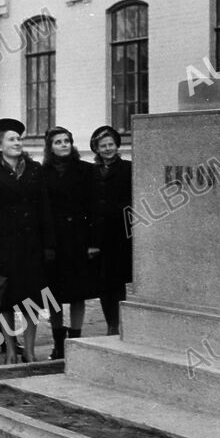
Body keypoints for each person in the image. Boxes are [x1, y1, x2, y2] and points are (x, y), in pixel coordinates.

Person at [0, 119, 55, 364]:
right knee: (6, 300)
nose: (17, 143)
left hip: (31, 247)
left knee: (31, 300)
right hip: (4, 249)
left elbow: (45, 209)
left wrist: (49, 244)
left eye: (19, 139)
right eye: (11, 139)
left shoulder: (34, 170)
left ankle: (29, 350)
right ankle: (11, 349)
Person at [42, 126, 101, 359]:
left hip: (79, 239)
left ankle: (75, 341)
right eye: (58, 142)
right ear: (50, 147)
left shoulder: (86, 170)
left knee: (78, 292)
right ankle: (58, 344)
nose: (63, 145)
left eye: (67, 140)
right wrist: (45, 244)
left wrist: (93, 242)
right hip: (54, 242)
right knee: (53, 294)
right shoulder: (42, 172)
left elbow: (95, 209)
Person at [89, 126, 132, 336]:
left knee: (120, 282)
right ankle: (111, 324)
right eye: (103, 146)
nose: (108, 149)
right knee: (104, 284)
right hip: (99, 237)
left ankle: (122, 323)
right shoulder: (92, 172)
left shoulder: (128, 168)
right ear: (96, 149)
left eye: (111, 145)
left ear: (117, 146)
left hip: (121, 235)